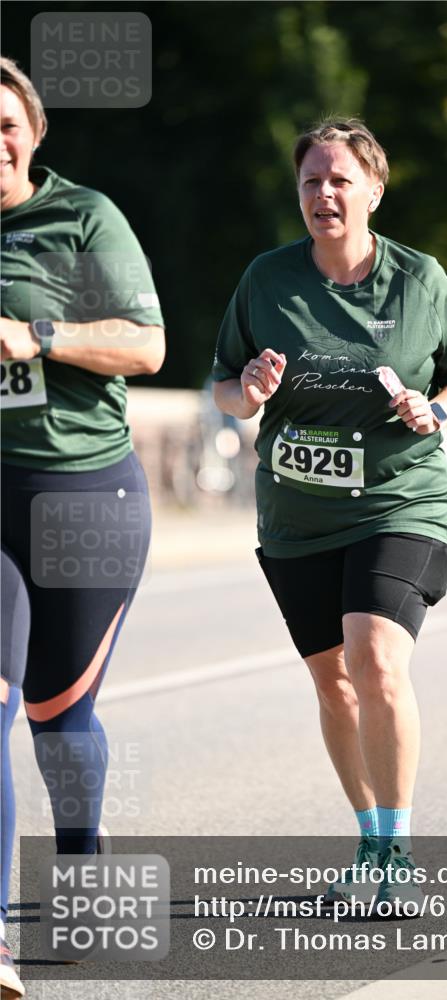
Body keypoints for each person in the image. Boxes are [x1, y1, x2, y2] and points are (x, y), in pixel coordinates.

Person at [212, 117, 447, 914]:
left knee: (374, 658)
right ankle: (368, 841)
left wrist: (433, 411)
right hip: (296, 517)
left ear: (373, 188)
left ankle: (397, 855)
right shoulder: (266, 280)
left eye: (339, 180)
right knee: (333, 684)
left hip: (397, 501)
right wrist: (250, 393)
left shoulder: (419, 281)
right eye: (310, 181)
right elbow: (223, 386)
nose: (323, 194)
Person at [0, 56, 165, 995]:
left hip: (78, 492)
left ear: (33, 133)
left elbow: (148, 346)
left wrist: (41, 338)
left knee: (59, 715)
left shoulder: (83, 218)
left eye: (5, 125)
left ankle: (80, 863)